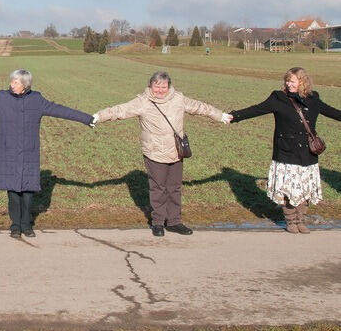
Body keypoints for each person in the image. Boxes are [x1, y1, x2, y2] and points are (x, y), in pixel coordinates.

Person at [0, 69, 94, 238]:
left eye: (16, 82)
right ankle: (15, 226)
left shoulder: (37, 100)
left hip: (29, 152)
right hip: (8, 152)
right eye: (12, 81)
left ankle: (27, 225)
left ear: (25, 85)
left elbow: (62, 110)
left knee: (28, 192)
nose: (11, 84)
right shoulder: (1, 98)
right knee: (13, 192)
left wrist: (87, 118)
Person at [93, 71, 231, 237]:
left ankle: (174, 222)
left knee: (174, 188)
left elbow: (199, 107)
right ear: (150, 85)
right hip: (154, 152)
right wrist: (97, 117)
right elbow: (119, 110)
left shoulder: (178, 99)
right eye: (156, 86)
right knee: (158, 188)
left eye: (163, 86)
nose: (160, 90)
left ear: (169, 86)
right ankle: (157, 222)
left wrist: (220, 115)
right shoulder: (143, 101)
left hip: (176, 151)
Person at [228, 67, 341, 234]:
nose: (289, 84)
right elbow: (256, 109)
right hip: (286, 153)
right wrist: (234, 116)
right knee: (287, 190)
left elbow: (333, 112)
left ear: (302, 82)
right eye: (287, 81)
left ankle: (301, 220)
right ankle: (290, 221)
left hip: (308, 154)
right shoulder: (278, 98)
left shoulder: (313, 99)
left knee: (305, 189)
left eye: (292, 81)